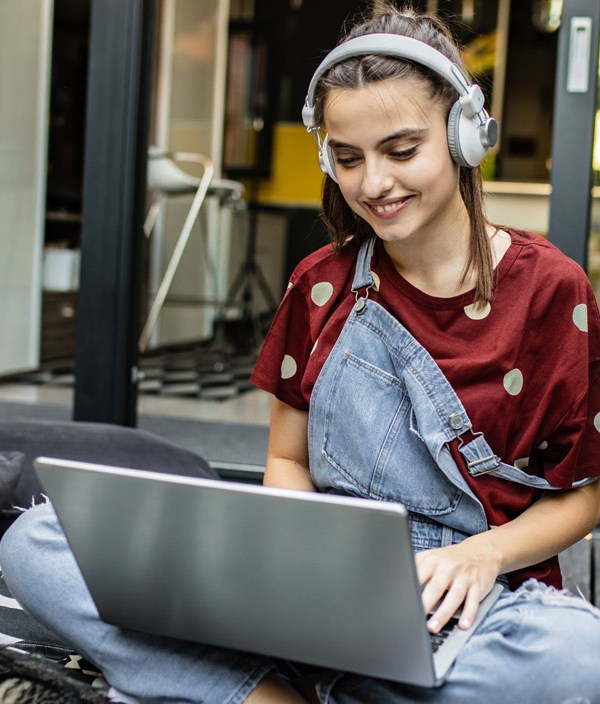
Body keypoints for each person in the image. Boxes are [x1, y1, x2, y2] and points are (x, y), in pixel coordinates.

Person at [2, 3, 600, 703]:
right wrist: (297, 578)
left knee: (576, 656)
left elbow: (585, 495)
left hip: (465, 597)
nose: (374, 183)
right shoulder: (319, 284)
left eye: (401, 151)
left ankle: (237, 686)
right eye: (348, 159)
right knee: (36, 542)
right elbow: (286, 461)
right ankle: (272, 692)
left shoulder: (554, 289)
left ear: (467, 133)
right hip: (315, 574)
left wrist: (482, 555)